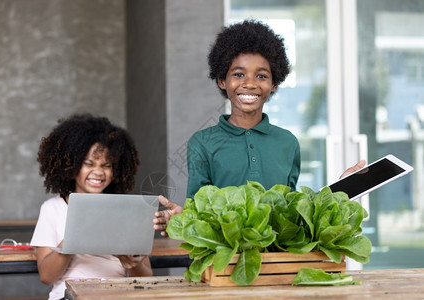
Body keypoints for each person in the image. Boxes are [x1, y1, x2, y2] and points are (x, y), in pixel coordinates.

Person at [153, 19, 366, 236]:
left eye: (261, 76)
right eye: (238, 74)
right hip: (226, 261)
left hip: (279, 259)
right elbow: (198, 208)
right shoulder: (202, 143)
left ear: (273, 85)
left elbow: (294, 212)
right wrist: (183, 218)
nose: (250, 83)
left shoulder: (288, 143)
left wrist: (340, 189)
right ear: (222, 81)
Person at [30, 113, 152, 300]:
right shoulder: (52, 208)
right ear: (70, 167)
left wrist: (133, 265)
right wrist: (73, 237)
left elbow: (147, 281)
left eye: (106, 165)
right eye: (88, 164)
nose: (98, 172)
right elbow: (46, 276)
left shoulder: (125, 210)